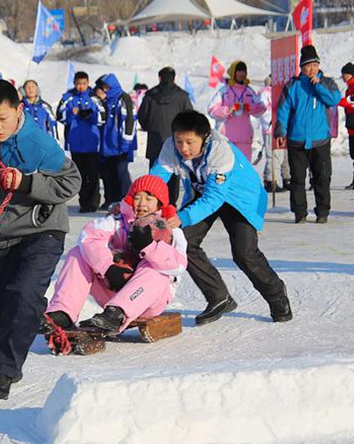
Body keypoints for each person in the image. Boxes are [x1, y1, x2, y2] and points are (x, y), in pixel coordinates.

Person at [0, 80, 81, 400]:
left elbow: (72, 181)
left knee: (24, 293)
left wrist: (26, 182)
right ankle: (6, 364)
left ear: (18, 110)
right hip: (3, 234)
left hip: (43, 230)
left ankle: (2, 370)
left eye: (2, 118)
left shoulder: (39, 144)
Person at [151, 110, 292, 324]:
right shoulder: (171, 147)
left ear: (204, 137)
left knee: (245, 254)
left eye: (190, 142)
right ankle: (218, 296)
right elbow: (155, 181)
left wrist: (182, 217)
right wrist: (135, 202)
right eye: (179, 141)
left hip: (238, 199)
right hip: (203, 193)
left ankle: (277, 295)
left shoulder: (220, 150)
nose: (184, 148)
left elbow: (214, 199)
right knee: (183, 242)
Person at [42, 175, 187, 334]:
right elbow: (88, 238)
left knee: (154, 268)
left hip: (149, 300)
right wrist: (108, 268)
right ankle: (63, 312)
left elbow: (178, 265)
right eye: (137, 198)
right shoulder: (118, 221)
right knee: (78, 253)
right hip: (113, 289)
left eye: (149, 198)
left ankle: (117, 314)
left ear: (160, 203)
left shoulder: (171, 230)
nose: (142, 203)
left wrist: (150, 248)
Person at [275, 45, 341, 224]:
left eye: (314, 65)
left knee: (322, 177)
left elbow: (335, 99)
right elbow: (283, 110)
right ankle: (299, 212)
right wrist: (280, 130)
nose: (311, 69)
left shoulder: (327, 82)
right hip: (297, 140)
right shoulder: (293, 85)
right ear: (301, 67)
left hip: (320, 140)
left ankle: (322, 212)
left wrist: (319, 86)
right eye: (308, 66)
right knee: (297, 179)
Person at [138, 66, 193, 205]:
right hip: (176, 141)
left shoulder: (150, 95)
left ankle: (155, 201)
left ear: (159, 77)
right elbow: (189, 117)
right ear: (174, 78)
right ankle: (170, 203)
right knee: (174, 173)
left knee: (156, 172)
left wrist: (149, 127)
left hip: (155, 140)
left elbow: (142, 116)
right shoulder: (182, 96)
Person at [58, 71, 106, 213]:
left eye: (84, 84)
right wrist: (72, 114)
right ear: (74, 83)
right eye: (79, 84)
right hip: (76, 143)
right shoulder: (68, 97)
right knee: (80, 175)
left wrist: (90, 115)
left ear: (88, 83)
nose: (81, 86)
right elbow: (60, 116)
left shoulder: (94, 97)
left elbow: (102, 118)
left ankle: (93, 201)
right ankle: (83, 202)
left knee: (93, 174)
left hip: (92, 144)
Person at [208, 60, 266, 162]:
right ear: (233, 72)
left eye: (243, 71)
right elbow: (211, 110)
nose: (241, 74)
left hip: (244, 137)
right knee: (226, 168)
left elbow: (261, 108)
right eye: (238, 71)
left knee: (243, 167)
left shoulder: (249, 91)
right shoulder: (224, 90)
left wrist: (251, 108)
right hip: (226, 137)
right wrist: (227, 111)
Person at [96, 73, 136, 209]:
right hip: (107, 144)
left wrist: (126, 142)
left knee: (121, 173)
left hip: (120, 144)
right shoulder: (106, 100)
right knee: (108, 173)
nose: (105, 89)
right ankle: (111, 199)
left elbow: (129, 120)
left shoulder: (123, 98)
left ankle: (127, 200)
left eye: (107, 86)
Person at [258, 75, 290, 192]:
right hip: (271, 128)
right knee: (273, 156)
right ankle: (270, 180)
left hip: (280, 128)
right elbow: (263, 109)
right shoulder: (266, 92)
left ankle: (278, 179)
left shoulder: (280, 91)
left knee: (280, 156)